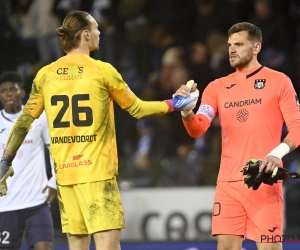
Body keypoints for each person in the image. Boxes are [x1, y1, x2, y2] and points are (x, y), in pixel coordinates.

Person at [0, 11, 198, 250]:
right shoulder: (102, 70)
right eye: (95, 28)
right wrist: (176, 104)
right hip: (97, 174)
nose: (99, 33)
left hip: (66, 177)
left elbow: (22, 123)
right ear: (85, 34)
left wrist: (5, 161)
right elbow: (138, 109)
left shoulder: (45, 75)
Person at [174, 22, 300, 250]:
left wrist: (277, 152)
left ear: (256, 47)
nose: (231, 49)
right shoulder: (216, 87)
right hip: (228, 184)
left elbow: (297, 127)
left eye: (239, 44)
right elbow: (198, 128)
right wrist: (186, 111)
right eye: (230, 44)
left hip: (265, 179)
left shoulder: (279, 81)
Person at [0, 71, 57, 250]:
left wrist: (54, 182)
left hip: (37, 203)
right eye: (3, 91)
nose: (8, 94)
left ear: (23, 93)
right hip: (6, 204)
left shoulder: (38, 117)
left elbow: (55, 150)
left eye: (13, 89)